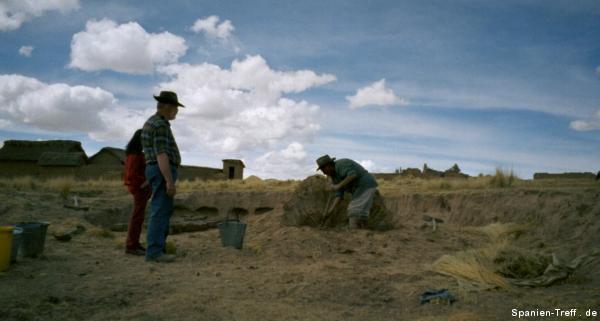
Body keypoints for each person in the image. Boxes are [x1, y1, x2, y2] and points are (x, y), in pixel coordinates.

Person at [141, 91, 184, 262]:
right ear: (166, 106)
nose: (177, 111)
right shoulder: (159, 125)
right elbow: (161, 154)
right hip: (161, 171)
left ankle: (158, 248)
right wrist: (169, 181)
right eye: (175, 107)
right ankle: (154, 252)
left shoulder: (154, 123)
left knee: (162, 210)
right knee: (159, 211)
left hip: (156, 170)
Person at [316, 155, 379, 229]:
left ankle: (354, 231)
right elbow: (339, 195)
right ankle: (363, 231)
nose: (323, 173)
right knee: (361, 213)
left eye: (323, 170)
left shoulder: (341, 164)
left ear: (328, 166)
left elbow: (352, 175)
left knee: (353, 209)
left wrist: (338, 185)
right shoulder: (334, 176)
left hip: (365, 185)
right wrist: (330, 212)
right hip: (359, 189)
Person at [123, 129, 152, 256]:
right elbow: (132, 175)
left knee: (138, 217)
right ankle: (131, 245)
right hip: (139, 189)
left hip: (139, 189)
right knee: (137, 217)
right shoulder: (135, 156)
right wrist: (147, 182)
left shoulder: (135, 154)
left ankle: (134, 243)